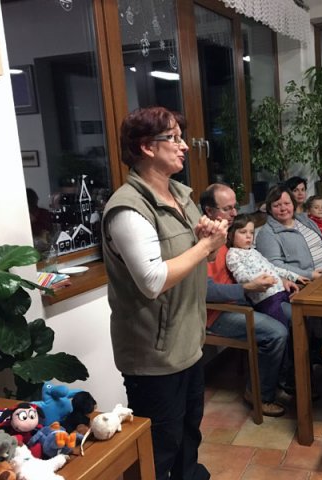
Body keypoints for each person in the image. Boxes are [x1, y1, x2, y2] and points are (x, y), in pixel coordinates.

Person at [102, 106, 227, 480]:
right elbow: (153, 280)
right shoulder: (127, 208)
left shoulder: (181, 196)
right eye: (173, 138)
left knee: (189, 433)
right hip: (153, 355)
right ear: (146, 147)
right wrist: (204, 246)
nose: (185, 146)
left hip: (188, 341)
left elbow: (198, 258)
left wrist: (206, 240)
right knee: (159, 446)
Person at [200, 183, 290, 417]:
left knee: (292, 316)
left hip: (241, 302)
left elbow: (253, 265)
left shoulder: (225, 237)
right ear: (209, 211)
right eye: (227, 209)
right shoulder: (203, 241)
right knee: (276, 333)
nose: (233, 213)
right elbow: (207, 292)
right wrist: (246, 288)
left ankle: (283, 381)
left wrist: (280, 278)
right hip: (217, 313)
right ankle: (260, 395)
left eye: (234, 208)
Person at [226, 214, 305, 328]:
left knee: (304, 312)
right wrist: (258, 279)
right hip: (267, 300)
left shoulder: (253, 251)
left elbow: (272, 268)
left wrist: (294, 276)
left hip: (282, 292)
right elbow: (241, 276)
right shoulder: (233, 254)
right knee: (296, 318)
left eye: (251, 232)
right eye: (243, 232)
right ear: (230, 235)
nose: (248, 236)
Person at [256, 184, 322, 280]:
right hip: (307, 281)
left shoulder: (305, 220)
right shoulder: (266, 234)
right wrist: (309, 274)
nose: (283, 208)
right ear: (269, 209)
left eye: (287, 203)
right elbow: (274, 265)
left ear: (293, 204)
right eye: (276, 205)